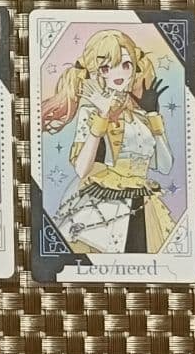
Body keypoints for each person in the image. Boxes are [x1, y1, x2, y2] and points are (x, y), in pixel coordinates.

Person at [42, 29, 175, 254]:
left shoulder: (142, 115)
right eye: (107, 67)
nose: (118, 73)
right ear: (97, 73)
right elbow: (82, 169)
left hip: (142, 203)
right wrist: (103, 115)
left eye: (126, 65)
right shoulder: (91, 111)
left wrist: (153, 115)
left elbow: (164, 166)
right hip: (103, 203)